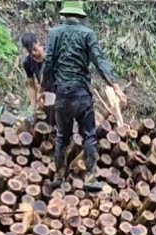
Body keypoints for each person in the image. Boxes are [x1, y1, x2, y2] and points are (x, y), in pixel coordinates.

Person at [41, 0, 126, 192]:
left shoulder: (55, 34)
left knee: (62, 136)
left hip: (62, 94)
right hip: (81, 95)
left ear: (65, 13)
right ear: (80, 14)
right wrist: (116, 87)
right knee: (89, 135)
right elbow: (100, 62)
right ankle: (90, 176)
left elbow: (48, 65)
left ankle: (59, 175)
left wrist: (42, 89)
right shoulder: (88, 34)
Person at [20, 32, 46, 121]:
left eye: (35, 49)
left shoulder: (50, 56)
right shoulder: (27, 62)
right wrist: (33, 107)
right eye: (30, 51)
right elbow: (31, 86)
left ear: (38, 43)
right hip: (43, 95)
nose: (33, 53)